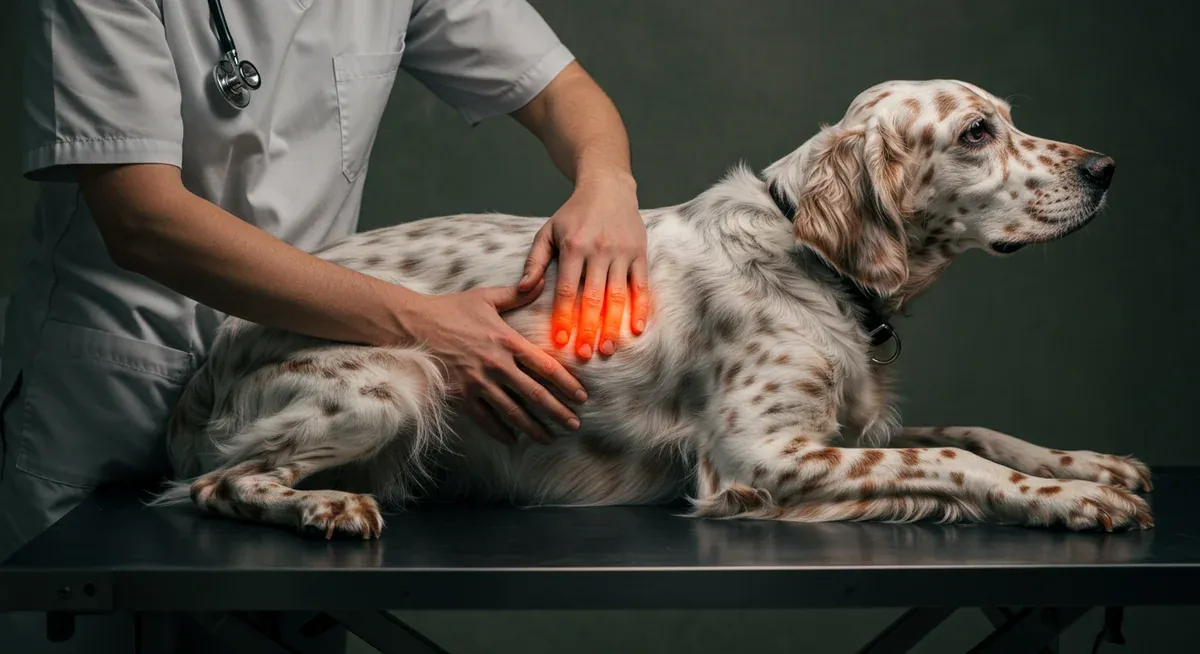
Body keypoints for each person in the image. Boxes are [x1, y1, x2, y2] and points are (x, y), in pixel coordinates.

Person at [0, 0, 649, 566]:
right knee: (91, 617)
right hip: (116, 385)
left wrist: (608, 183)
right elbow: (143, 222)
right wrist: (425, 327)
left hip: (305, 374)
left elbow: (558, 89)